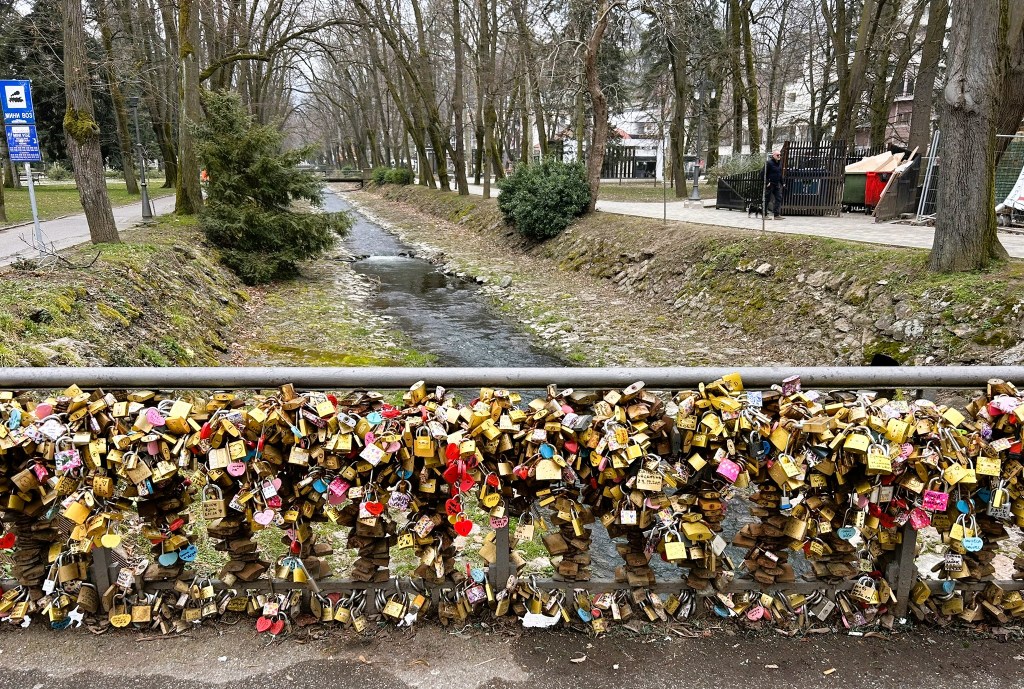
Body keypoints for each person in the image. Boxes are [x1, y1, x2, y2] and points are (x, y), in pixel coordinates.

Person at [765, 150, 784, 220]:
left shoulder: (779, 164)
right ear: (773, 156)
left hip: (776, 184)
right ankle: (764, 215)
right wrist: (767, 182)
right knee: (767, 199)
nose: (779, 156)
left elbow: (780, 174)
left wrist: (783, 183)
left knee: (778, 198)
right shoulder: (769, 163)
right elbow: (762, 174)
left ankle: (776, 215)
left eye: (780, 155)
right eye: (777, 155)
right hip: (770, 184)